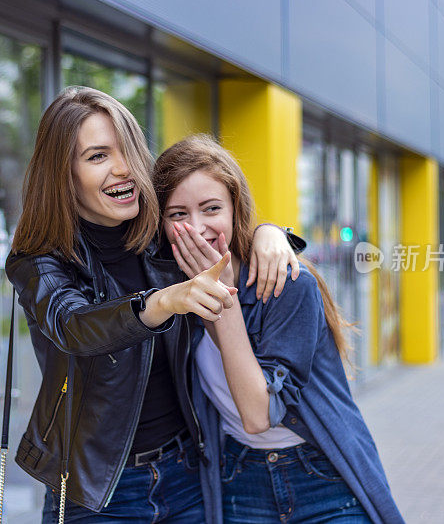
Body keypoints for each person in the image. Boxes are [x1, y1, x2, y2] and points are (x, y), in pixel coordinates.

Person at [4, 87, 302, 523]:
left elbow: (221, 225)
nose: (122, 169)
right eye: (97, 156)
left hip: (184, 475)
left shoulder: (161, 235)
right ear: (63, 175)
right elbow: (75, 326)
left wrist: (270, 233)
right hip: (98, 491)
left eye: (126, 149)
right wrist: (162, 302)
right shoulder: (39, 262)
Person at [154, 135, 405, 524]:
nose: (197, 228)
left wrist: (227, 303)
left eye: (211, 208)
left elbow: (258, 415)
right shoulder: (167, 297)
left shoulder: (287, 284)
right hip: (241, 480)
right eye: (178, 215)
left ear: (237, 210)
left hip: (321, 477)